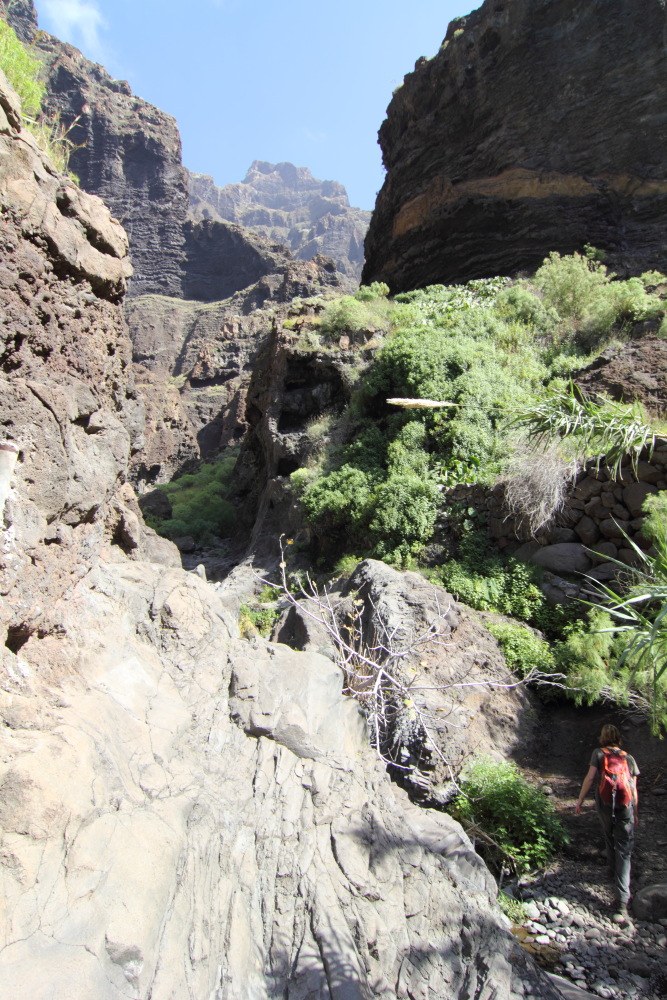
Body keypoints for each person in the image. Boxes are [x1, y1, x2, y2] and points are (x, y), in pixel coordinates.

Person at [575, 723, 639, 916]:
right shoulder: (628, 758)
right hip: (625, 805)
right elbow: (634, 789)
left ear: (603, 737)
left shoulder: (598, 753)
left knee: (609, 836)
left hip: (605, 803)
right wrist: (635, 811)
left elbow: (590, 778)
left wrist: (580, 800)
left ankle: (613, 872)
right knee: (624, 849)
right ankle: (621, 901)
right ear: (618, 737)